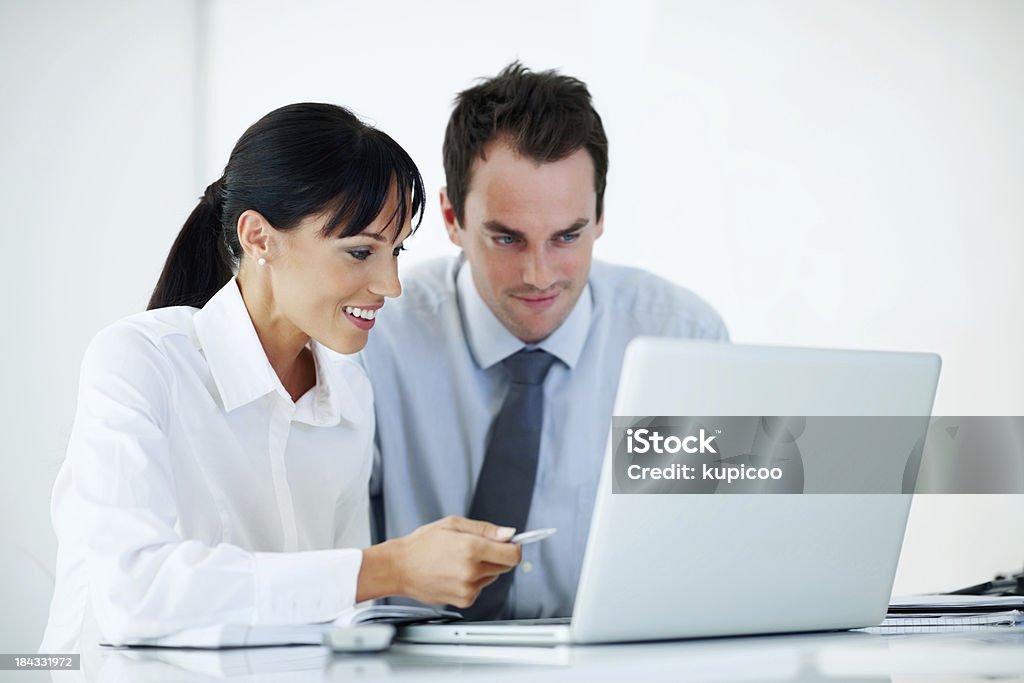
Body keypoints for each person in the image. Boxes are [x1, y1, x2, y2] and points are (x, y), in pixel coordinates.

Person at [39, 103, 521, 652]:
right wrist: (384, 568)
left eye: (395, 251)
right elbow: (135, 594)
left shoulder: (350, 394)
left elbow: (343, 621)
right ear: (259, 238)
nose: (391, 284)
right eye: (360, 251)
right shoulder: (139, 362)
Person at [361, 63, 729, 620]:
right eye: (506, 238)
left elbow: (715, 550)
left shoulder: (683, 338)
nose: (538, 274)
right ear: (451, 218)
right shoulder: (374, 338)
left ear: (600, 216)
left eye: (567, 237)